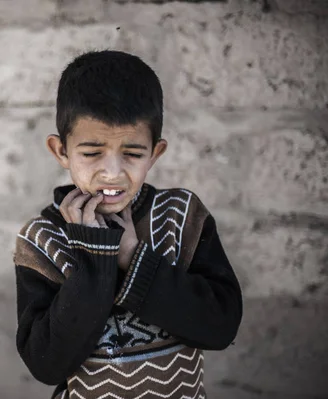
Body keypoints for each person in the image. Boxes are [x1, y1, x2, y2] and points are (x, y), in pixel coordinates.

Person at [13, 50, 243, 399]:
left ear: (155, 153)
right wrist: (95, 258)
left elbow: (220, 327)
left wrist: (133, 258)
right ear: (61, 151)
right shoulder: (43, 240)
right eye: (92, 153)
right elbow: (46, 364)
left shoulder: (180, 217)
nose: (112, 172)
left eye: (133, 154)